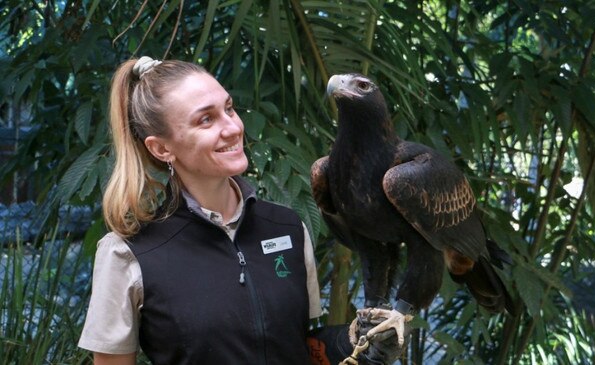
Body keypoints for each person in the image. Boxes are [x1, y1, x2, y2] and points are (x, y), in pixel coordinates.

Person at [78, 56, 407, 365]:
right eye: (206, 119)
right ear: (161, 148)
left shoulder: (287, 228)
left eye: (229, 109)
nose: (233, 127)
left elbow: (294, 345)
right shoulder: (129, 253)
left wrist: (351, 342)